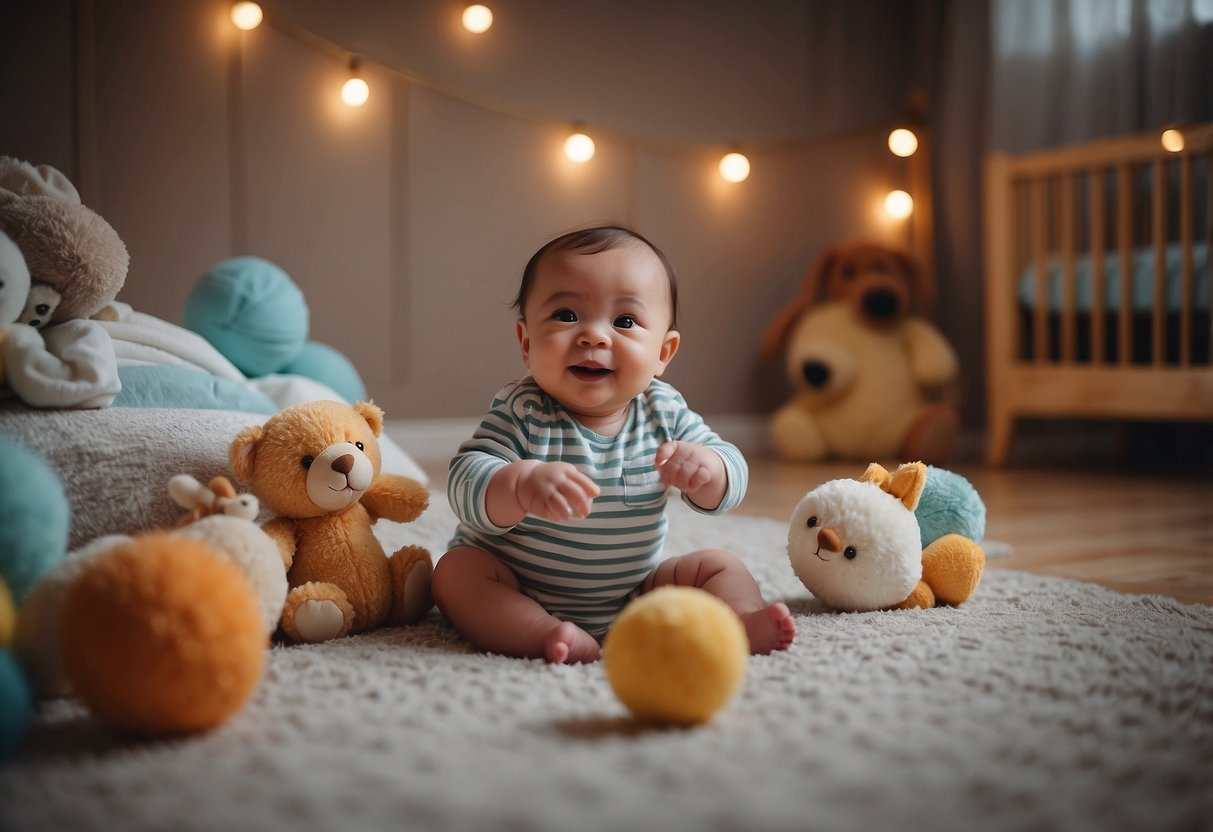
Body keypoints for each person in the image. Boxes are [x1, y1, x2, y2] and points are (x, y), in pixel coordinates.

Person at [433, 225, 795, 663]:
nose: (594, 337)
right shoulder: (523, 409)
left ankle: (739, 621)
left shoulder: (664, 411)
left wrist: (708, 470)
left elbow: (733, 472)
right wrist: (518, 484)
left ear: (663, 353)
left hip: (633, 594)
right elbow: (465, 479)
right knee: (456, 573)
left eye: (624, 321)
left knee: (721, 565)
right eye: (567, 315)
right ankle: (542, 633)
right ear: (527, 342)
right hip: (516, 585)